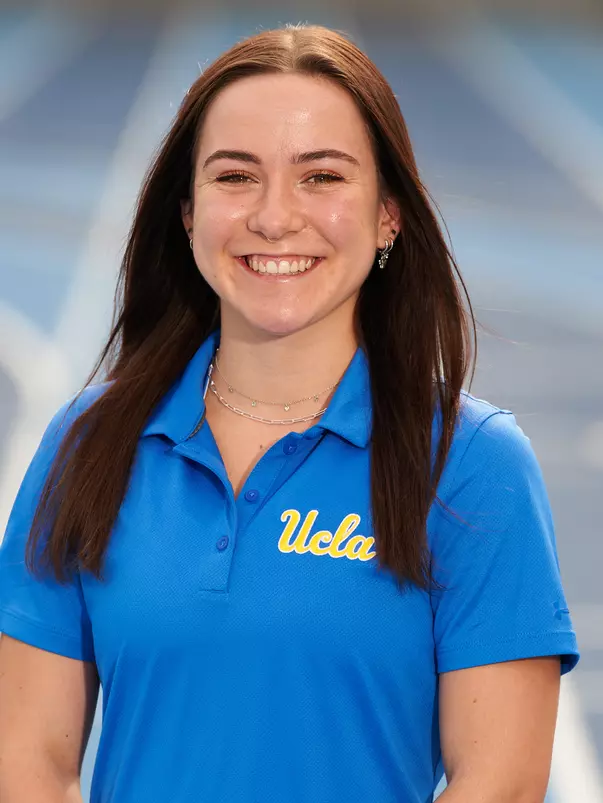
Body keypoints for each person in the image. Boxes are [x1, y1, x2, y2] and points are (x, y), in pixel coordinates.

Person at [0, 22, 579, 803]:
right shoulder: (88, 444)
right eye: (235, 176)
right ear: (187, 211)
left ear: (388, 216)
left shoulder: (471, 463)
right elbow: (26, 763)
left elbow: (499, 783)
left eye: (321, 177)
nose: (274, 217)